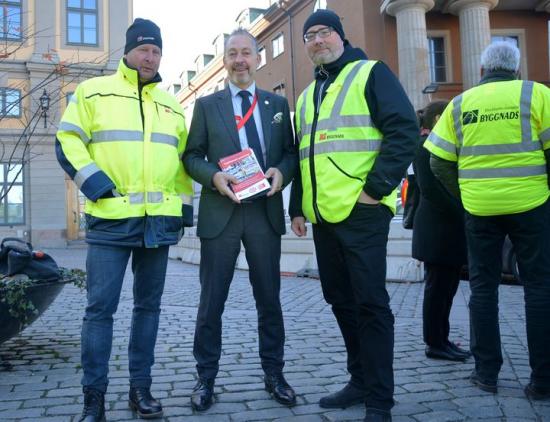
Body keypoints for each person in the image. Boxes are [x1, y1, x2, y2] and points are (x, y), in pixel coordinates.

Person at [56, 18, 193, 421]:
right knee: (100, 311)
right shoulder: (93, 92)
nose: (150, 57)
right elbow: (67, 139)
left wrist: (183, 210)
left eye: (156, 51)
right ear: (128, 51)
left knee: (148, 310)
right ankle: (93, 399)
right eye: (143, 49)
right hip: (111, 220)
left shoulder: (170, 105)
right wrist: (95, 183)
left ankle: (140, 389)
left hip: (159, 223)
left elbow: (182, 163)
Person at [289, 9, 418, 422]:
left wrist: (374, 190)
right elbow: (303, 157)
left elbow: (404, 131)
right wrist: (297, 207)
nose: (317, 40)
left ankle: (380, 397)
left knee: (370, 303)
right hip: (324, 216)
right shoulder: (309, 95)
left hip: (362, 213)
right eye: (309, 36)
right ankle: (359, 379)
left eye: (324, 32)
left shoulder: (370, 73)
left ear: (340, 36)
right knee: (340, 299)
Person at [425, 41, 550, 400]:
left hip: (480, 208)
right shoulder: (536, 94)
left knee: (483, 289)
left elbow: (437, 162)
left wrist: (465, 194)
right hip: (531, 203)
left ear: (481, 72)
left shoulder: (461, 103)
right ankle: (542, 380)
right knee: (540, 288)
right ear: (517, 70)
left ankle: (486, 374)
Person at [183, 28, 297, 412]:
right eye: (232, 53)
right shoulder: (206, 105)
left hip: (264, 214)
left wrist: (282, 173)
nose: (240, 60)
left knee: (270, 301)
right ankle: (205, 379)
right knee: (211, 303)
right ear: (225, 61)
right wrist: (213, 176)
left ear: (258, 57)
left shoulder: (276, 105)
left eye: (246, 52)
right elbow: (192, 155)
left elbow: (290, 155)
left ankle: (275, 375)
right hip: (222, 214)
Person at [411, 100, 471, 362]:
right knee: (437, 290)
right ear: (438, 120)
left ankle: (442, 339)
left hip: (448, 230)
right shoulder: (425, 147)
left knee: (447, 289)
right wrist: (464, 209)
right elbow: (432, 191)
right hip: (437, 231)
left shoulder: (438, 145)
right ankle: (434, 342)